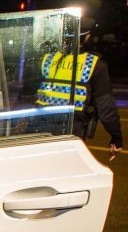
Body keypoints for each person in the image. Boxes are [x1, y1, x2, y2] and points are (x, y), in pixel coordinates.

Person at [37, 23, 123, 161]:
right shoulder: (94, 64)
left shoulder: (47, 59)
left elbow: (26, 95)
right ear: (87, 37)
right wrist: (116, 138)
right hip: (72, 131)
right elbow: (106, 107)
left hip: (39, 127)